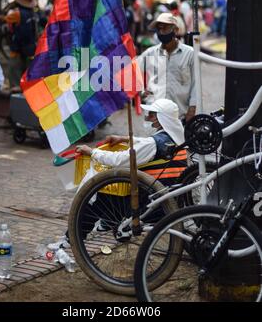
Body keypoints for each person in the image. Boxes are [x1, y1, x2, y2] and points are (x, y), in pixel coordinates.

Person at [55, 98, 186, 249]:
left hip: (148, 206)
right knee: (113, 195)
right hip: (168, 202)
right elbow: (148, 144)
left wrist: (91, 152)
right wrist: (124, 138)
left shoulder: (153, 144)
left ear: (160, 118)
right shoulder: (176, 140)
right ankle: (108, 222)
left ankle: (72, 239)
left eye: (151, 114)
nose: (149, 117)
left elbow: (118, 160)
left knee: (94, 198)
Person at [138, 12, 196, 123]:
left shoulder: (189, 53)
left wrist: (192, 109)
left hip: (180, 116)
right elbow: (133, 70)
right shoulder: (150, 53)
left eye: (165, 28)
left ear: (175, 30)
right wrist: (141, 92)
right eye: (159, 29)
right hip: (156, 117)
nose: (161, 32)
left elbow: (195, 84)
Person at [0, 0, 37, 90]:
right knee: (24, 76)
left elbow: (4, 19)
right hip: (29, 49)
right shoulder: (32, 13)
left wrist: (1, 17)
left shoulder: (17, 13)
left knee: (13, 76)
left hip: (17, 50)